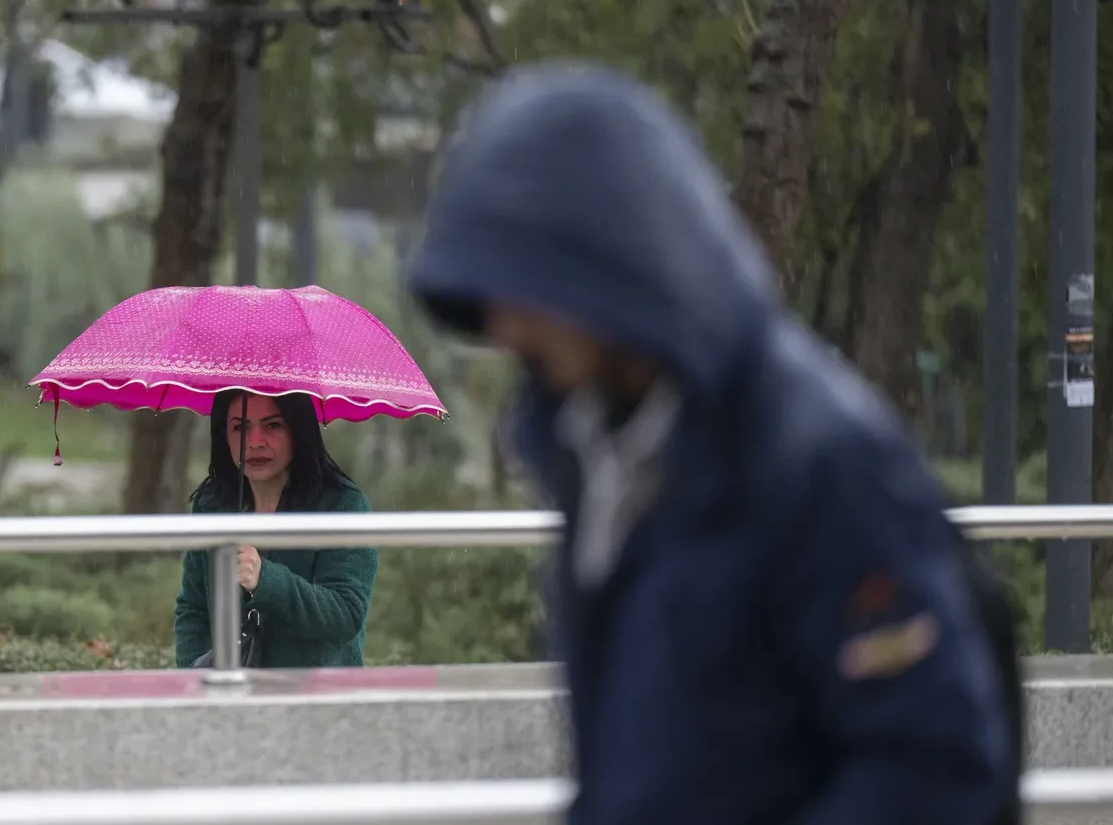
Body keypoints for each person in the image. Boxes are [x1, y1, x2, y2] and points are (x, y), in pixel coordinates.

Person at [407, 64, 1015, 824]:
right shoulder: (600, 448)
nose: (503, 326)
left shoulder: (823, 460)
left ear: (603, 266)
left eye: (520, 286)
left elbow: (932, 767)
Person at [174, 390, 378, 669]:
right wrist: (192, 674)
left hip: (315, 697)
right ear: (223, 435)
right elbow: (193, 607)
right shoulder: (213, 504)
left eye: (273, 425)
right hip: (231, 696)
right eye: (240, 427)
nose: (254, 442)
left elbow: (346, 614)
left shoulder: (342, 505)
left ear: (298, 429)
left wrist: (265, 580)